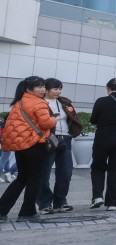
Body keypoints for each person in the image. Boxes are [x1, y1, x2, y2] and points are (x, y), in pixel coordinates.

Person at [0, 76, 54, 221]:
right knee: (34, 179)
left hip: (20, 145)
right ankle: (27, 212)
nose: (43, 90)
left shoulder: (18, 102)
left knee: (22, 178)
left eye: (43, 86)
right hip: (35, 144)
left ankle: (1, 210)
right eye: (39, 87)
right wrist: (55, 118)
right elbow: (45, 123)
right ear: (29, 89)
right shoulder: (39, 103)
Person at [37, 78, 80, 214]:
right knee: (44, 172)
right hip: (49, 139)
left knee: (66, 172)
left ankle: (60, 202)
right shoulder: (40, 103)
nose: (58, 91)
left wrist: (74, 131)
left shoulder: (64, 102)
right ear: (46, 89)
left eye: (60, 88)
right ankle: (45, 204)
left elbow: (73, 117)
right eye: (55, 89)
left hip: (65, 138)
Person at [90, 76, 116, 211]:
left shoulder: (101, 101)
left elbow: (93, 120)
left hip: (102, 139)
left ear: (108, 89)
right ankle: (112, 203)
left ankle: (97, 196)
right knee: (115, 172)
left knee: (98, 168)